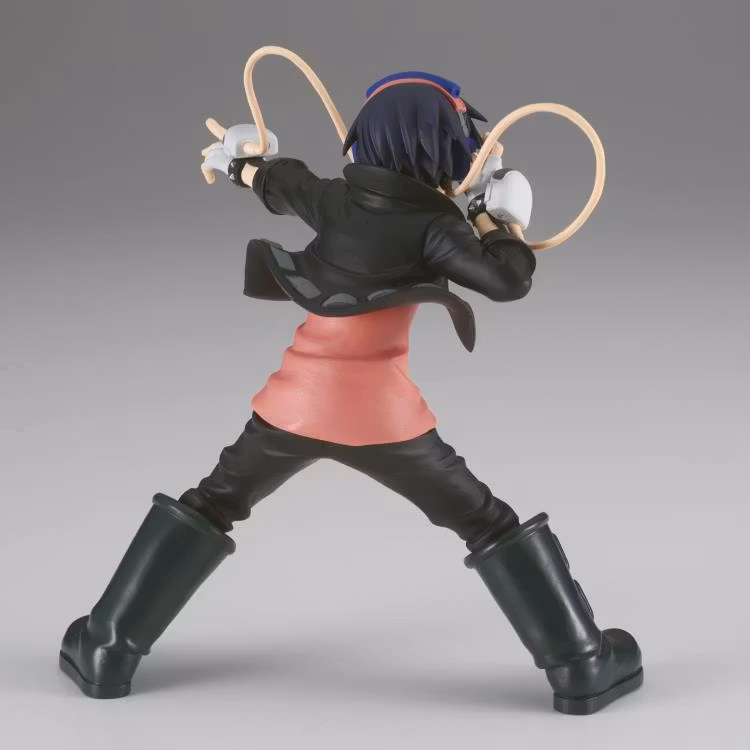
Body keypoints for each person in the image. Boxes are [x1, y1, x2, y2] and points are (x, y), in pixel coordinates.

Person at [59, 72, 642, 714]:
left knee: (214, 502)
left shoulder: (337, 200)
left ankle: (107, 647)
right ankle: (581, 665)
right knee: (485, 522)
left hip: (293, 405)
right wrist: (496, 221)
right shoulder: (436, 227)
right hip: (383, 420)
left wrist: (240, 162)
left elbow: (280, 182)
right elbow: (507, 281)